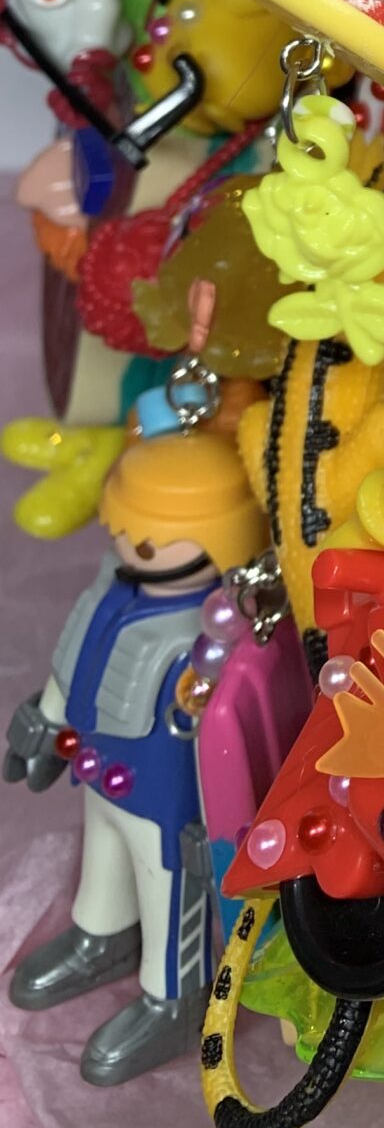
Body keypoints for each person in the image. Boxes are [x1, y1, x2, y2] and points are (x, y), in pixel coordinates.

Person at [4, 426, 265, 1082]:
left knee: (167, 887)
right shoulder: (111, 594)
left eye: (157, 537)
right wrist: (45, 719)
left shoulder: (220, 633)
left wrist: (221, 817)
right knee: (103, 863)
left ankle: (173, 999)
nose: (136, 546)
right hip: (100, 772)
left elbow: (233, 730)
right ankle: (103, 935)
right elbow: (74, 663)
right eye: (127, 528)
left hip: (167, 799)